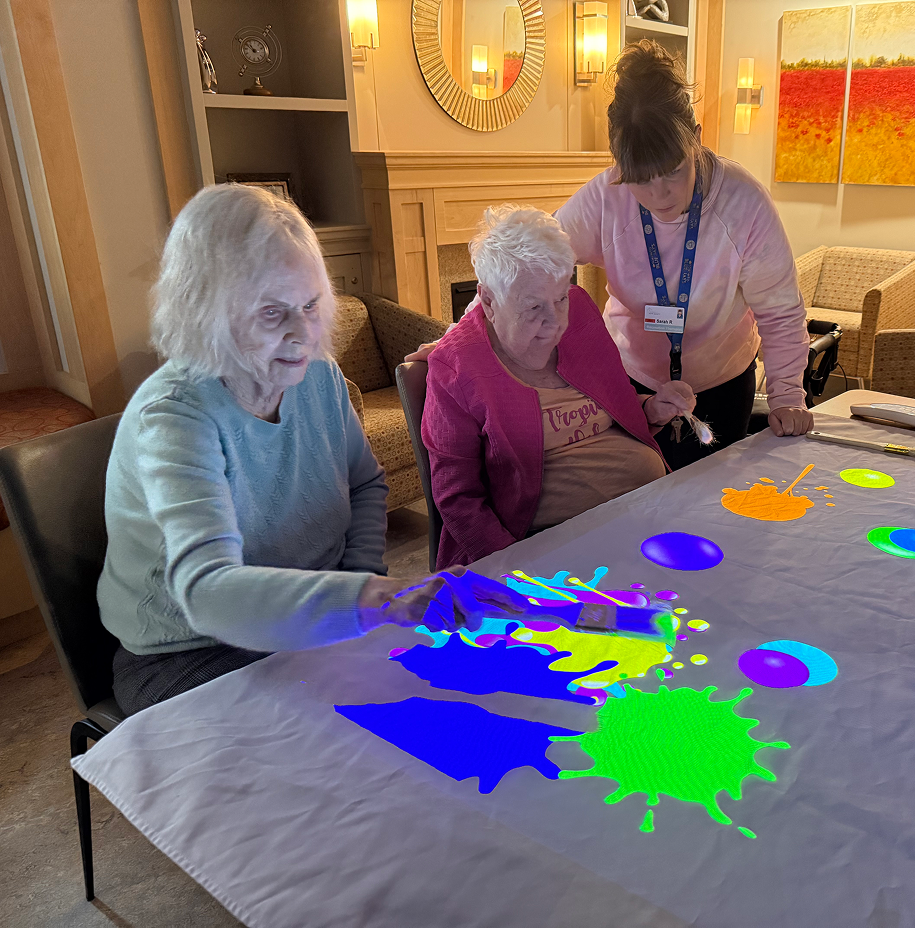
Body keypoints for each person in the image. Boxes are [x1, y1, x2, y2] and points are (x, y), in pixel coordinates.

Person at [98, 184, 521, 715]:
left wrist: (358, 581)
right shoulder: (174, 417)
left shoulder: (318, 376)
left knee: (461, 694)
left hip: (310, 610)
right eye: (273, 313)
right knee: (355, 738)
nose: (303, 334)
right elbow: (207, 593)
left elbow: (365, 483)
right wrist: (376, 599)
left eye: (310, 304)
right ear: (205, 311)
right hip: (189, 652)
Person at [555, 40, 813, 470]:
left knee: (711, 509)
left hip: (722, 383)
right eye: (640, 179)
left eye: (673, 171)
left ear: (694, 138)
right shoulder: (605, 196)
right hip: (629, 383)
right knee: (634, 506)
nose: (659, 195)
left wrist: (787, 394)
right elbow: (530, 263)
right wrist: (464, 335)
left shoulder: (743, 201)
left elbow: (780, 312)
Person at [422, 205, 693, 568]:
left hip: (647, 516)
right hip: (552, 553)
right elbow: (457, 499)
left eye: (561, 298)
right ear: (488, 300)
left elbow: (618, 410)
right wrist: (516, 570)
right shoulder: (457, 367)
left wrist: (650, 409)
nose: (555, 323)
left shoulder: (580, 313)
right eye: (534, 307)